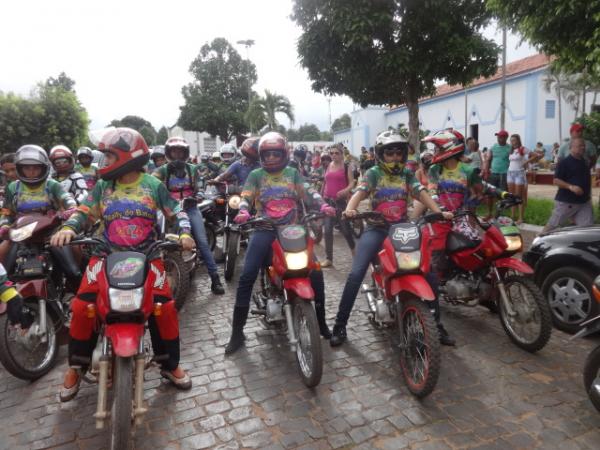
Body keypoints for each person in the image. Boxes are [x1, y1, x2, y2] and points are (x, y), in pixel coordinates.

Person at [51, 128, 195, 400]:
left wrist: (185, 232)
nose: (103, 162)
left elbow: (176, 212)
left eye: (108, 156)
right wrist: (69, 227)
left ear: (126, 155)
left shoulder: (153, 185)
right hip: (105, 255)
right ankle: (76, 367)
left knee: (164, 308)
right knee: (82, 307)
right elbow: (83, 211)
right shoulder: (104, 187)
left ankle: (169, 364)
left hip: (148, 256)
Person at [330, 131, 451, 347]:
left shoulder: (407, 174)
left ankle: (436, 325)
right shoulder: (373, 173)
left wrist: (438, 210)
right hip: (376, 229)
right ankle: (340, 325)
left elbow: (420, 192)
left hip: (402, 229)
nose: (394, 157)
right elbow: (360, 192)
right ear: (381, 155)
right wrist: (350, 209)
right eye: (389, 153)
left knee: (428, 271)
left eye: (398, 153)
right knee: (357, 273)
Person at [224, 132, 335, 354]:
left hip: (293, 229)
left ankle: (321, 323)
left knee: (315, 272)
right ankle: (237, 333)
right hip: (264, 229)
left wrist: (322, 205)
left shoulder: (293, 173)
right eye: (268, 154)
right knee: (247, 275)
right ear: (261, 156)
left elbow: (310, 192)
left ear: (283, 154)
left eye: (276, 153)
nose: (272, 158)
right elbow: (246, 195)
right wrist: (244, 210)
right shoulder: (256, 175)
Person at [423, 129, 510, 345]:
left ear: (449, 148)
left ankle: (486, 291)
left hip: (462, 216)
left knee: (478, 249)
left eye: (438, 147)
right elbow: (431, 190)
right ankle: (431, 299)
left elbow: (483, 187)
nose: (435, 151)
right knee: (435, 260)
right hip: (440, 217)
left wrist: (503, 194)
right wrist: (438, 207)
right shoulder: (434, 169)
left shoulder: (468, 170)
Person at [153, 137, 224, 295]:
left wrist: (197, 196)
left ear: (185, 153)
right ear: (169, 153)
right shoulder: (162, 170)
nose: (177, 154)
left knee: (202, 242)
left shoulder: (193, 169)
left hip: (190, 207)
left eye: (180, 151)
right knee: (156, 239)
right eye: (174, 151)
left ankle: (215, 279)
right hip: (169, 209)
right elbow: (152, 183)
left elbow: (200, 187)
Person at [542, 137, 593, 233]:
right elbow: (556, 181)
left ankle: (580, 247)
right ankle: (538, 241)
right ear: (571, 147)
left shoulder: (585, 161)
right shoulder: (564, 163)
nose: (583, 148)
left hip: (584, 202)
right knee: (552, 225)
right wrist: (571, 187)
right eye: (579, 146)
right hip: (566, 202)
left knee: (587, 229)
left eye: (583, 146)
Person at [321, 145, 356, 267]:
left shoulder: (346, 167)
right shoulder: (328, 166)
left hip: (340, 202)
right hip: (327, 201)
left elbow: (352, 183)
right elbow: (325, 182)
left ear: (341, 154)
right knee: (328, 230)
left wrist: (345, 191)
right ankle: (329, 259)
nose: (334, 155)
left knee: (346, 230)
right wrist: (321, 198)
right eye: (332, 153)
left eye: (336, 153)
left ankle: (355, 254)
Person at [507, 134, 538, 223]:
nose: (512, 142)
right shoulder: (511, 150)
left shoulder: (522, 149)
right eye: (511, 140)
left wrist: (526, 162)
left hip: (519, 173)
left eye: (514, 140)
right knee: (511, 196)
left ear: (518, 140)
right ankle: (512, 216)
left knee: (519, 197)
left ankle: (520, 218)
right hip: (510, 173)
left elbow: (535, 155)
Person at [483, 130, 511, 218]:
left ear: (505, 138)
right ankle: (489, 213)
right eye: (498, 137)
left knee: (501, 195)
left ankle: (498, 214)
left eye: (500, 137)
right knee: (489, 194)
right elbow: (488, 159)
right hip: (493, 174)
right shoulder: (493, 147)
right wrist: (486, 171)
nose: (498, 138)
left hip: (504, 174)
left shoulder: (510, 148)